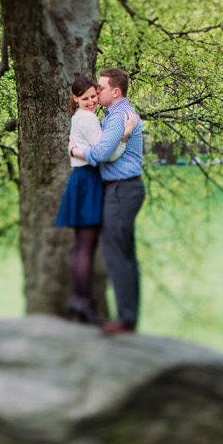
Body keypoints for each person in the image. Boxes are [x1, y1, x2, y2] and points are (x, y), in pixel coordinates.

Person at [70, 67, 143, 335]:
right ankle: (128, 317)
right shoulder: (112, 115)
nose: (96, 92)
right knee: (123, 256)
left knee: (117, 256)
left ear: (116, 91)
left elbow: (101, 153)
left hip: (121, 191)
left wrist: (75, 150)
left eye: (100, 88)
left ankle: (125, 320)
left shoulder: (118, 118)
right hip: (120, 190)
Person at [53, 75, 126, 325]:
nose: (93, 101)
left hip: (82, 179)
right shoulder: (88, 118)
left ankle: (80, 300)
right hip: (88, 180)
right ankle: (81, 302)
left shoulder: (78, 117)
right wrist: (124, 137)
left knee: (82, 246)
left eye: (95, 96)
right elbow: (104, 154)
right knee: (85, 245)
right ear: (76, 98)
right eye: (86, 99)